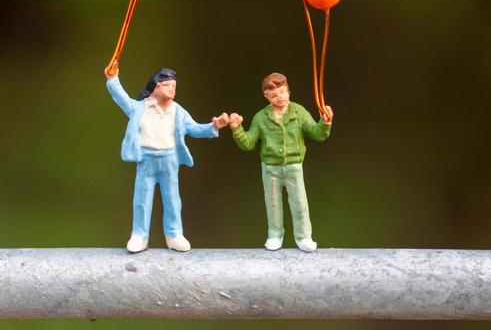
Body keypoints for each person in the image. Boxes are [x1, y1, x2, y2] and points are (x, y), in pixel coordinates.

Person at [105, 65, 229, 253]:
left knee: (172, 199)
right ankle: (139, 235)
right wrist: (112, 79)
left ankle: (174, 234)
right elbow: (122, 99)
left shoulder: (178, 111)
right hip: (146, 159)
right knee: (141, 199)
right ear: (156, 86)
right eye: (168, 85)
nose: (173, 89)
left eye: (174, 86)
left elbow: (194, 129)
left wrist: (214, 126)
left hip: (169, 159)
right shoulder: (140, 108)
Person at [228, 72, 333, 252]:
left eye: (283, 92)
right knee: (273, 204)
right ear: (267, 96)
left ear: (289, 92)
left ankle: (304, 237)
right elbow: (248, 143)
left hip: (294, 166)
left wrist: (325, 122)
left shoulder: (299, 112)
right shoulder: (261, 118)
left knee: (300, 203)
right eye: (275, 94)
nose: (280, 97)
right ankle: (275, 235)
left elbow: (316, 133)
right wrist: (237, 129)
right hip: (270, 169)